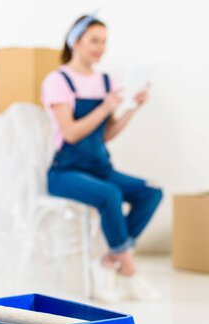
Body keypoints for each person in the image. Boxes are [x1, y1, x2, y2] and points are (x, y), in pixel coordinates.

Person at [41, 13, 163, 302]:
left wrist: (132, 107)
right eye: (94, 40)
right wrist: (106, 107)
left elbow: (106, 134)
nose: (100, 48)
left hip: (99, 166)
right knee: (109, 194)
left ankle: (109, 260)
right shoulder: (57, 81)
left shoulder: (105, 80)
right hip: (65, 172)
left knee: (151, 192)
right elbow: (70, 133)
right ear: (76, 41)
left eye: (104, 42)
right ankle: (130, 271)